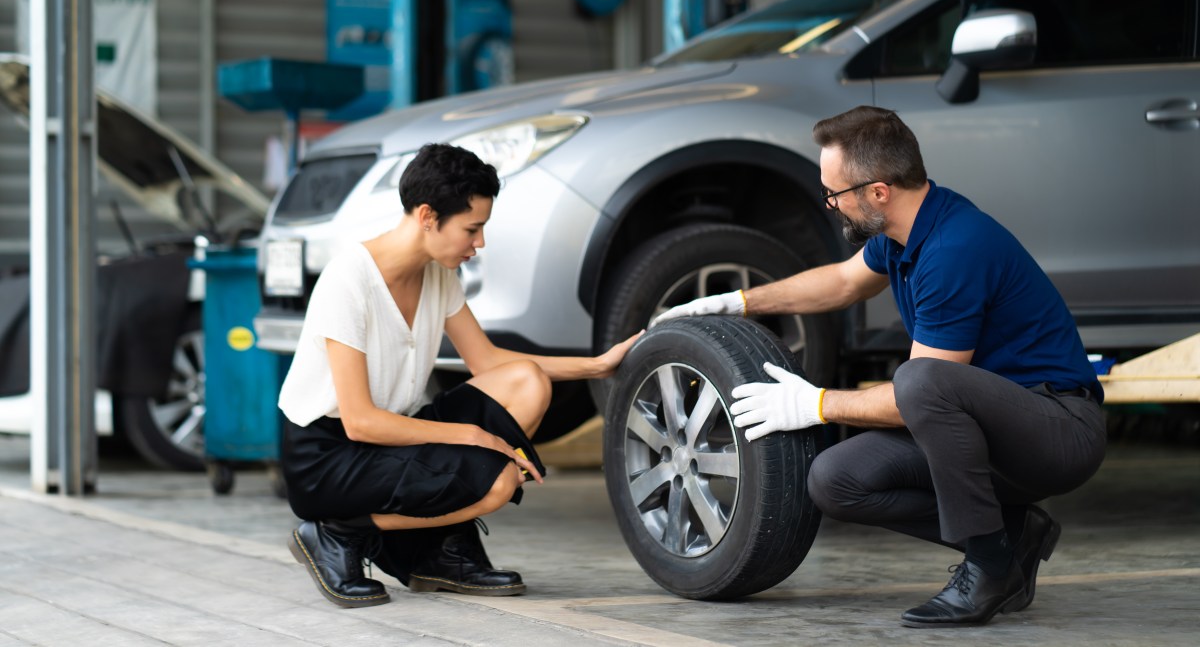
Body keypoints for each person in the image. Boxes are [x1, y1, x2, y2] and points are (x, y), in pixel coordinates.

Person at [652, 106, 1106, 627]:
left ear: (878, 192)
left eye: (834, 194)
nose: (830, 205)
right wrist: (739, 301)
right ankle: (1012, 535)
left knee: (919, 378)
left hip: (1056, 429)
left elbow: (917, 396)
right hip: (986, 428)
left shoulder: (954, 248)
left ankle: (987, 567)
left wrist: (814, 403)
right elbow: (843, 283)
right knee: (834, 479)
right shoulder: (903, 233)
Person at [279, 143, 640, 609]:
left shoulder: (437, 274)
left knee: (527, 382)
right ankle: (336, 531)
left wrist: (594, 365)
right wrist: (474, 436)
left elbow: (489, 362)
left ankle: (437, 552)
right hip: (328, 457)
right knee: (499, 481)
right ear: (428, 216)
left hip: (392, 438)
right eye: (472, 228)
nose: (479, 243)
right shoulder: (349, 280)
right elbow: (360, 423)